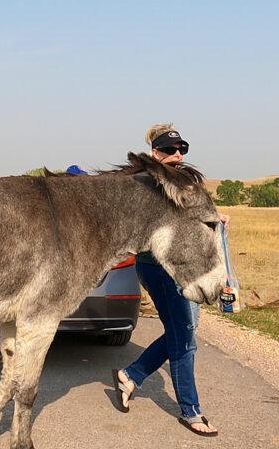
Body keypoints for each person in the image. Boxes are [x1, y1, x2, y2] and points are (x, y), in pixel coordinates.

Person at [111, 124, 227, 437]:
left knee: (182, 334)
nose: (177, 155)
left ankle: (130, 375)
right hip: (159, 268)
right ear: (154, 153)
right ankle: (191, 411)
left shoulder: (179, 181)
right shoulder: (148, 184)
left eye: (181, 150)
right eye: (169, 150)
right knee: (184, 340)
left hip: (180, 266)